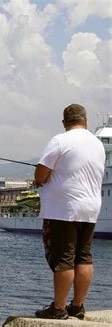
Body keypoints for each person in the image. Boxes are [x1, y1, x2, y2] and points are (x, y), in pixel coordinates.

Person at [33, 104, 105, 320]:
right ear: (85, 121)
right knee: (84, 256)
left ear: (64, 122)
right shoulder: (97, 144)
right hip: (91, 207)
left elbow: (42, 174)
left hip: (64, 209)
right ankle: (78, 306)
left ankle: (58, 308)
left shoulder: (60, 141)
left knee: (64, 258)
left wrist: (37, 180)